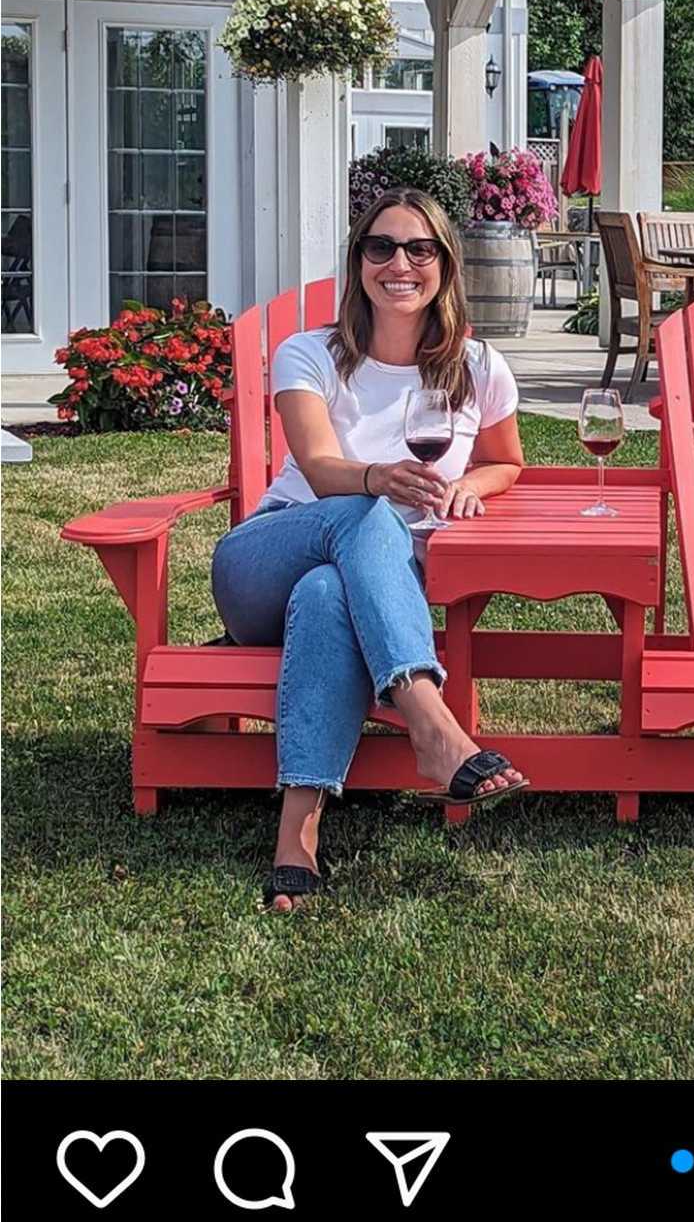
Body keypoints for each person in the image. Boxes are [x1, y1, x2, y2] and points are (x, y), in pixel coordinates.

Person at [211, 188, 527, 912]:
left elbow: (509, 461)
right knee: (362, 511)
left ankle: (298, 841)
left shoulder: (477, 366)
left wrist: (472, 483)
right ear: (358, 263)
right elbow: (321, 471)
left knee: (326, 594)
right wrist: (377, 479)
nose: (399, 264)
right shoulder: (309, 354)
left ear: (445, 264)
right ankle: (430, 721)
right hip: (263, 562)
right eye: (380, 247)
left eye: (420, 249)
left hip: (355, 590)